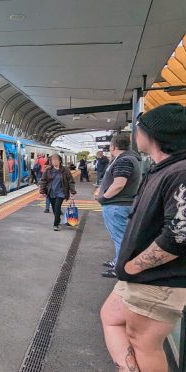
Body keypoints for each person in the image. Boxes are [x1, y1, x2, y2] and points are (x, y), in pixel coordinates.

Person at [100, 103, 186, 372]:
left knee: (144, 343)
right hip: (139, 278)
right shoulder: (164, 168)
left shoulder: (179, 172)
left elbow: (179, 235)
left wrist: (133, 265)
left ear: (153, 135)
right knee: (111, 317)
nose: (136, 134)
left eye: (140, 128)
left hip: (156, 280)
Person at [95, 135, 141, 278]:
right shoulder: (128, 159)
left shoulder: (124, 160)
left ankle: (120, 268)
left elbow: (119, 184)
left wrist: (103, 198)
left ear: (113, 147)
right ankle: (117, 262)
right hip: (120, 205)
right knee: (120, 236)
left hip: (117, 206)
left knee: (120, 238)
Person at [39, 154, 76, 231]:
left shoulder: (65, 170)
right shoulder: (48, 170)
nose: (54, 162)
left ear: (60, 161)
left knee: (57, 207)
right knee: (54, 208)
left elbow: (71, 181)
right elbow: (43, 181)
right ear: (51, 162)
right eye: (53, 160)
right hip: (51, 192)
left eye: (56, 160)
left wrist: (72, 192)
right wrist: (42, 191)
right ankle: (58, 219)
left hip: (61, 192)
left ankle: (55, 225)